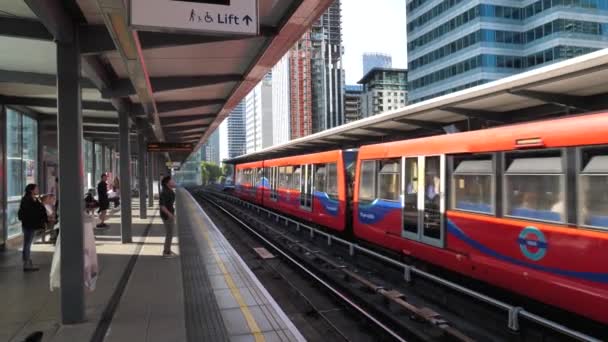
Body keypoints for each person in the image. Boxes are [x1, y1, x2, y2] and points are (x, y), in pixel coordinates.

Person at [17, 184, 47, 272]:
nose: (37, 190)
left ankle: (27, 262)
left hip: (29, 225)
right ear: (31, 190)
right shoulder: (27, 200)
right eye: (36, 188)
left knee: (28, 243)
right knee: (27, 244)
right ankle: (26, 264)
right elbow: (30, 212)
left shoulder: (32, 199)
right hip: (28, 225)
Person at [159, 175, 177, 258]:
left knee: (170, 233)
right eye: (172, 180)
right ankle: (166, 252)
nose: (173, 181)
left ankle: (168, 249)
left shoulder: (169, 190)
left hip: (169, 215)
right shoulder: (165, 192)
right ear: (167, 183)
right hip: (167, 216)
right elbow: (162, 206)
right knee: (169, 234)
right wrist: (170, 215)